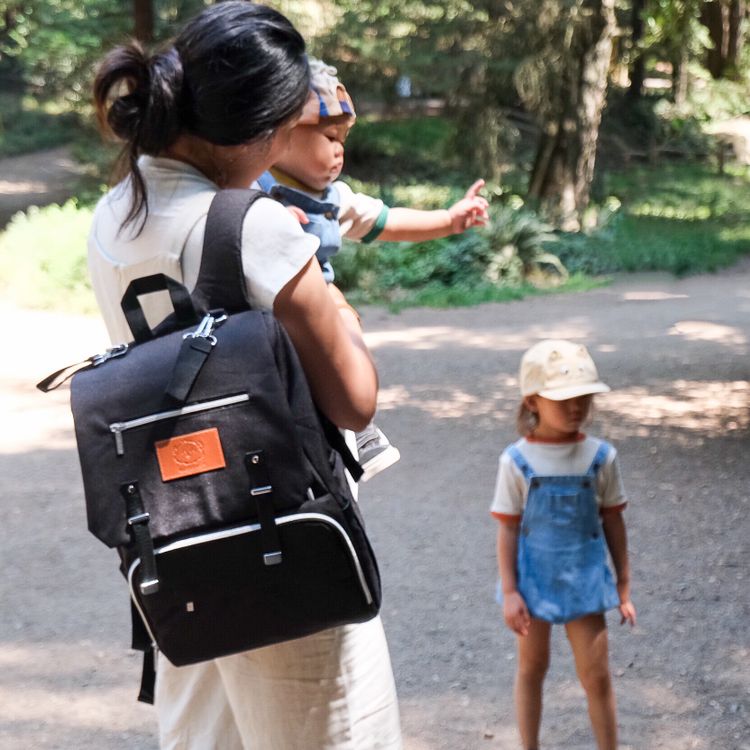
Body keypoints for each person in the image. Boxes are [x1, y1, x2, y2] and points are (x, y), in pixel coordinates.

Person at [88, 3, 402, 748]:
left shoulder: (114, 211)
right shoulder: (253, 225)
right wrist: (332, 301)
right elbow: (356, 401)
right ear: (261, 129)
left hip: (178, 538)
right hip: (281, 534)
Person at [258, 58, 490, 480]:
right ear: (281, 132)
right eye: (329, 136)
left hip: (314, 308)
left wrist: (450, 220)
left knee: (342, 333)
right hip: (261, 310)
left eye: (344, 139)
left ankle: (355, 428)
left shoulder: (334, 198)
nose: (338, 149)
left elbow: (388, 222)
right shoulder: (252, 184)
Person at [490, 340, 637, 750]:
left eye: (584, 397)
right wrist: (509, 591)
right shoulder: (516, 461)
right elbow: (507, 529)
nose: (576, 407)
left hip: (586, 582)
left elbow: (614, 520)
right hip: (532, 583)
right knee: (531, 669)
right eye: (564, 399)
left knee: (597, 674)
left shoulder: (601, 457)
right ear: (532, 400)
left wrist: (623, 584)